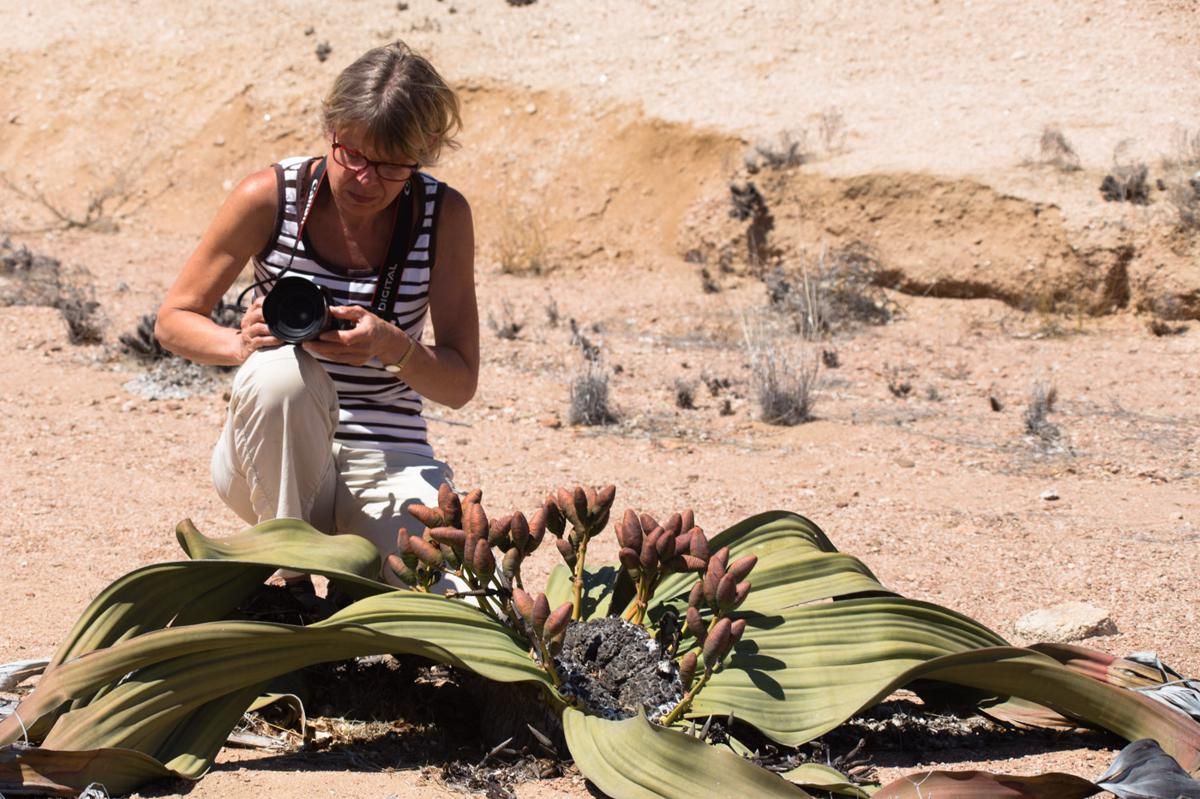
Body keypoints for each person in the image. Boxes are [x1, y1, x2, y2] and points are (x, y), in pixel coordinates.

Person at [156, 41, 478, 585]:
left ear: (423, 153)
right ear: (331, 128)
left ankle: (351, 592)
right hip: (271, 457)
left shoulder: (442, 215)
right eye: (352, 154)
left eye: (391, 165)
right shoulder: (271, 196)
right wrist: (239, 344)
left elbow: (459, 383)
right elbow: (173, 320)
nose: (365, 180)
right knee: (280, 374)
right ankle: (292, 581)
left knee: (440, 596)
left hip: (386, 456)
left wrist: (391, 345)